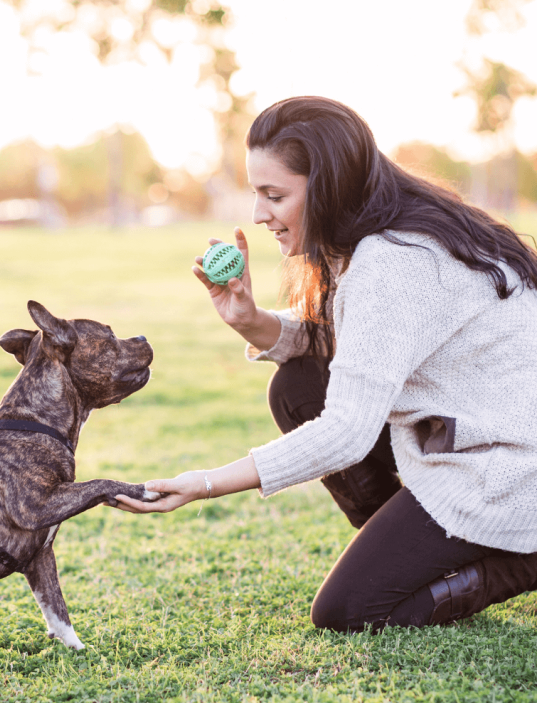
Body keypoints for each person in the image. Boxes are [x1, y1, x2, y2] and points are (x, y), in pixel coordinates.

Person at [115, 95, 537, 632]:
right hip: (465, 432)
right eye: (256, 194)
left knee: (349, 611)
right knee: (296, 386)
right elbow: (358, 343)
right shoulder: (374, 238)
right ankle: (403, 545)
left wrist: (203, 483)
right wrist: (252, 322)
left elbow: (345, 434)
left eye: (275, 195)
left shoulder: (392, 261)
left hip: (511, 467)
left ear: (330, 186)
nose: (259, 214)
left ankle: (524, 559)